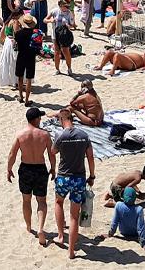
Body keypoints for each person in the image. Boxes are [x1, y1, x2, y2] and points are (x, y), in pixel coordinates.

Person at [7, 106, 55, 247]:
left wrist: (9, 169)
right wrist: (53, 168)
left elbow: (12, 154)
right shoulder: (45, 135)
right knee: (41, 201)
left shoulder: (21, 135)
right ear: (35, 119)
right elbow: (51, 154)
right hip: (40, 169)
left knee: (26, 200)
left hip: (26, 168)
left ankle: (28, 226)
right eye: (39, 117)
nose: (40, 119)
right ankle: (40, 228)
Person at [52, 109, 95, 260]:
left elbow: (53, 151)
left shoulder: (60, 135)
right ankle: (71, 251)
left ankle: (60, 235)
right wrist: (92, 175)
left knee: (58, 202)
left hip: (64, 176)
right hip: (79, 178)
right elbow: (90, 157)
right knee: (74, 216)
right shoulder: (84, 135)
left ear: (61, 120)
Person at [98, 186, 145, 251]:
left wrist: (110, 234)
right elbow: (140, 227)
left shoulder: (118, 205)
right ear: (134, 198)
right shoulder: (139, 209)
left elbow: (114, 222)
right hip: (135, 233)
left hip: (123, 232)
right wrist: (143, 244)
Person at [14, 14, 39, 105]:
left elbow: (16, 42)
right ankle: (27, 100)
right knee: (29, 79)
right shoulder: (36, 33)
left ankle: (21, 96)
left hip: (21, 56)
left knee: (20, 77)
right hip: (31, 56)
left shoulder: (18, 34)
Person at [47, 0, 75, 75]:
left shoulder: (69, 13)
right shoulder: (54, 11)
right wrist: (51, 21)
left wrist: (68, 26)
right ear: (60, 6)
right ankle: (57, 69)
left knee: (66, 52)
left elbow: (73, 25)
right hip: (55, 35)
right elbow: (45, 20)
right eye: (65, 6)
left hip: (65, 35)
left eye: (68, 6)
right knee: (56, 52)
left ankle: (69, 68)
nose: (67, 7)